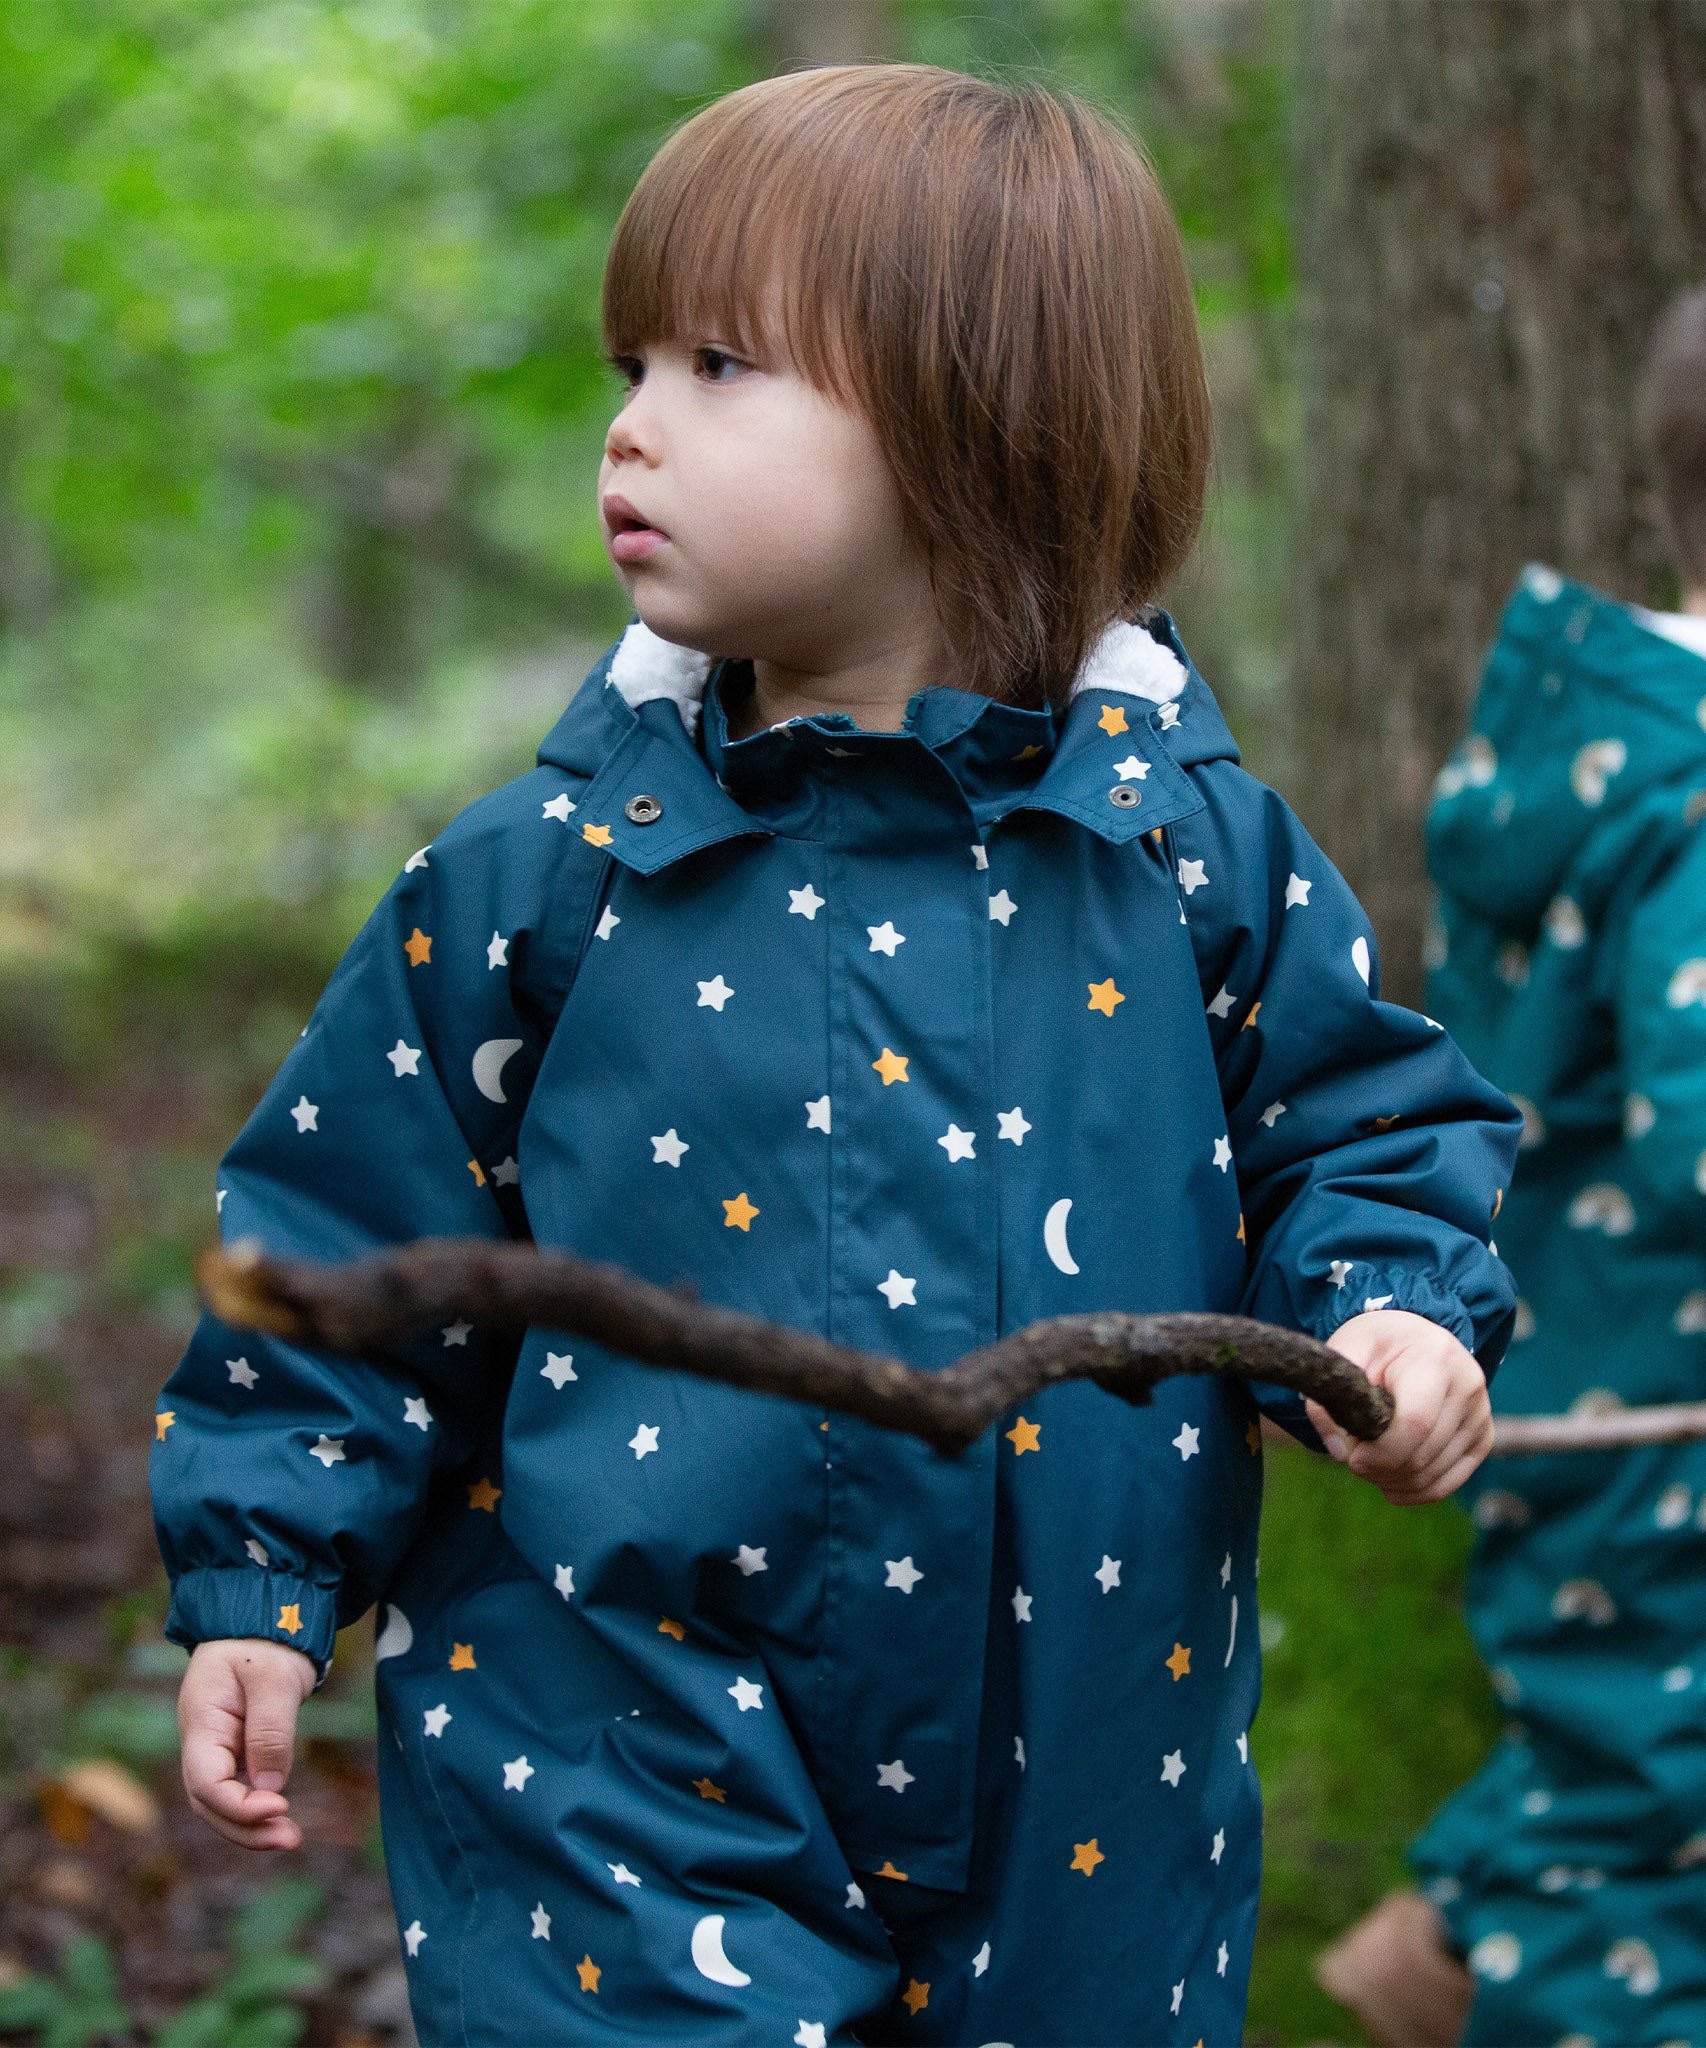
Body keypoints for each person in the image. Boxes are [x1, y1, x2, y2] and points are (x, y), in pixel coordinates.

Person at [151, 66, 1518, 2046]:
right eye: (633, 361)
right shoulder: (550, 875)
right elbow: (353, 1231)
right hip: (616, 1746)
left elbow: (1363, 1118)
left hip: (1085, 1783)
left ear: (984, 417)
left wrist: (1393, 1317)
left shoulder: (1186, 859)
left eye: (719, 364)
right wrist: (264, 1568)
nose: (630, 425)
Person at [1317, 284, 1706, 2047]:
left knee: (1613, 1755)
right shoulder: (1693, 801)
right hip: (1659, 1449)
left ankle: (1442, 1945)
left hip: (1602, 1404)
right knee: (1649, 1825)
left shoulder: (1621, 767)